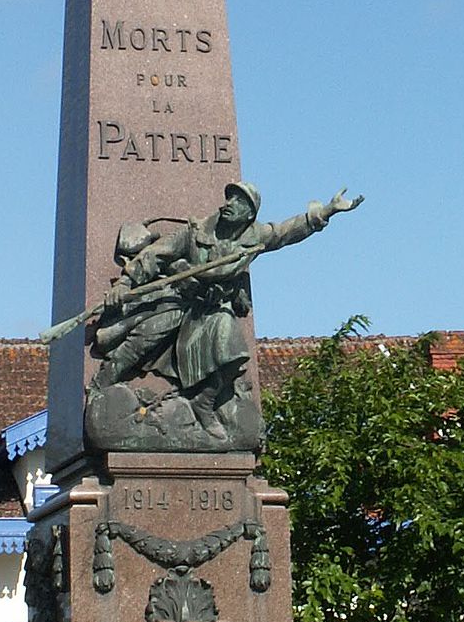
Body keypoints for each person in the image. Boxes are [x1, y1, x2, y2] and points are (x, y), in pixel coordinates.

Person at [90, 182, 361, 436]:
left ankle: (203, 402)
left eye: (239, 201)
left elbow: (286, 232)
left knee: (233, 348)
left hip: (212, 310)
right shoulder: (195, 232)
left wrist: (327, 211)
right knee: (141, 341)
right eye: (230, 197)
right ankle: (99, 389)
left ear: (249, 214)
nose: (229, 203)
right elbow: (154, 255)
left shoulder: (254, 237)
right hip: (179, 299)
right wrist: (124, 284)